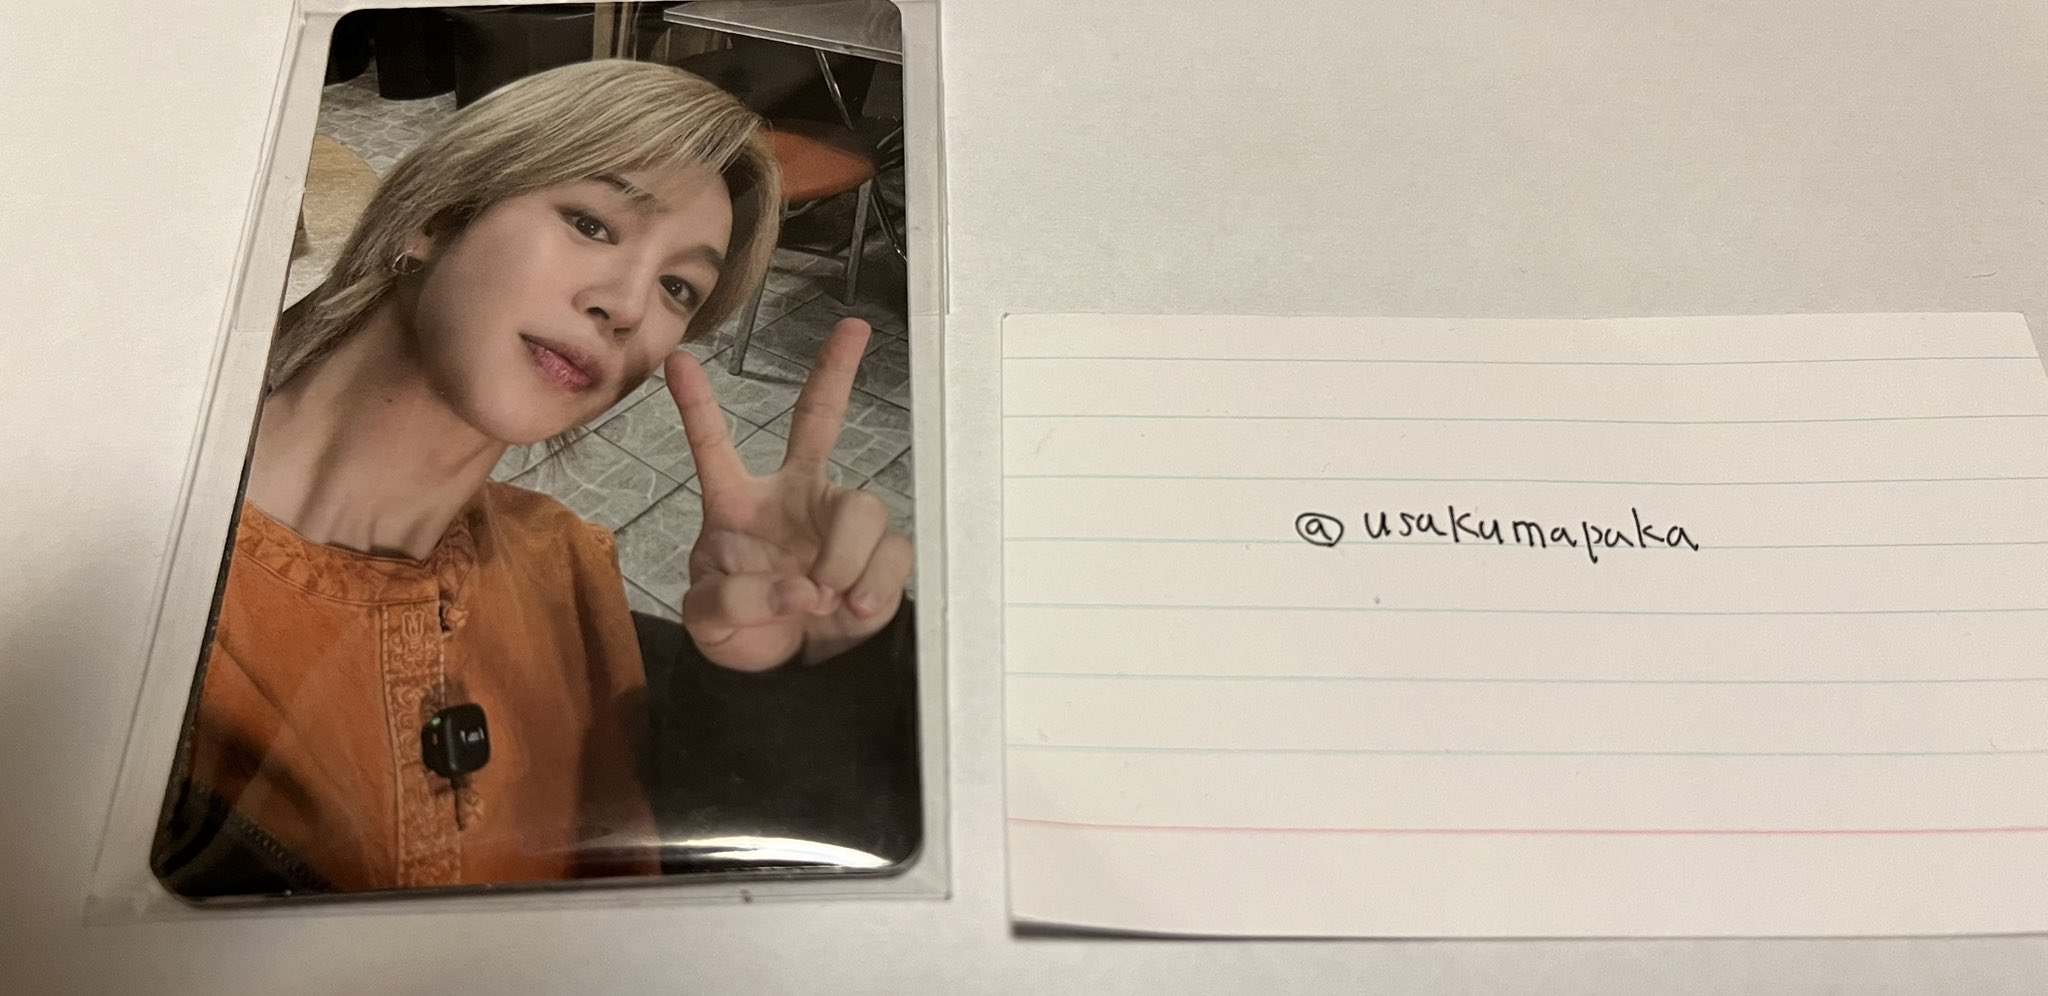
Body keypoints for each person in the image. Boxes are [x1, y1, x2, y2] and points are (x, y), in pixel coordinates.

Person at [149, 59, 915, 897]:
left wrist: (780, 682)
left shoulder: (564, 562)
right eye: (592, 224)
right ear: (437, 216)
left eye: (678, 287)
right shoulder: (130, 571)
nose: (628, 306)